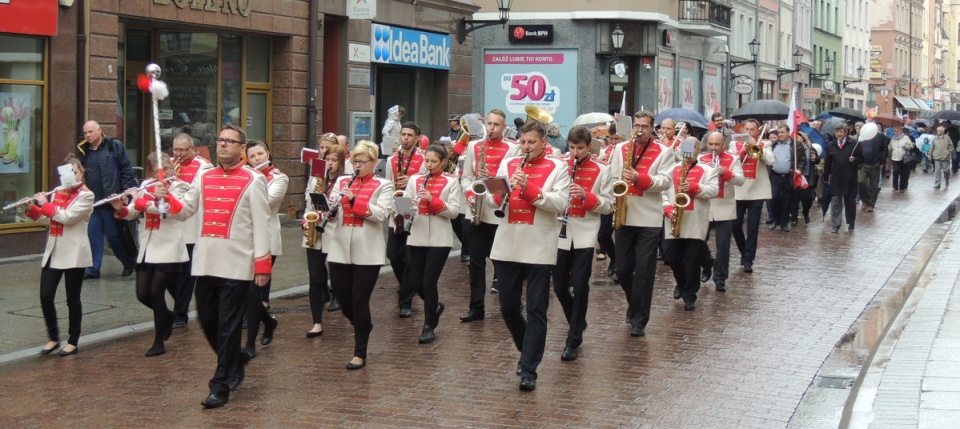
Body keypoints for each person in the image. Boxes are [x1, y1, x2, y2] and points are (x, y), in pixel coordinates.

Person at [192, 124, 273, 409]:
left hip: (237, 263)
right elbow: (185, 208)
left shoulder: (254, 179)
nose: (223, 145)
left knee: (228, 326)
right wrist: (162, 198)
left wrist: (262, 265)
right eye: (220, 140)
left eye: (229, 141)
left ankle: (221, 384)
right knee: (206, 320)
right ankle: (235, 359)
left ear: (241, 148)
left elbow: (261, 224)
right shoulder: (203, 176)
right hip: (206, 261)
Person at [490, 121, 569, 391]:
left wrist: (530, 189)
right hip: (507, 242)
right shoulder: (509, 163)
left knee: (537, 308)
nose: (525, 147)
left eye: (531, 143)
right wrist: (495, 192)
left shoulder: (558, 167)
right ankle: (527, 352)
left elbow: (561, 203)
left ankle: (529, 370)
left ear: (543, 142)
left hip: (538, 244)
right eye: (523, 142)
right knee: (508, 308)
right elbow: (494, 199)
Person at [111, 152, 197, 357]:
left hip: (168, 245)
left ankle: (159, 342)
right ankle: (167, 316)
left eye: (167, 167)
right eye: (159, 168)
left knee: (157, 292)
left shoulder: (178, 186)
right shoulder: (147, 185)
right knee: (143, 294)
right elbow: (132, 212)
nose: (164, 171)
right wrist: (121, 207)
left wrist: (144, 200)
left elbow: (169, 212)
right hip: (148, 245)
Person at [327, 141, 392, 370]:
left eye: (362, 162)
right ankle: (362, 325)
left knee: (359, 299)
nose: (357, 165)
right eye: (354, 161)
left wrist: (355, 201)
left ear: (374, 162)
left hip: (368, 251)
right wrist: (330, 211)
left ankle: (359, 352)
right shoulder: (342, 181)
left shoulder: (383, 185)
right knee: (344, 301)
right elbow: (332, 211)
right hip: (339, 247)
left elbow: (382, 214)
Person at [609, 111, 674, 337]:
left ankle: (640, 319)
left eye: (644, 126)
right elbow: (612, 177)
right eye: (636, 125)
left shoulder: (665, 151)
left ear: (652, 127)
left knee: (644, 270)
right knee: (623, 269)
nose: (640, 130)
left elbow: (666, 181)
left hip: (649, 218)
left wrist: (641, 179)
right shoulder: (620, 148)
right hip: (625, 215)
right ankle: (634, 304)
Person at [552, 126, 613, 361]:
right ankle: (578, 321)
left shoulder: (602, 169)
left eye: (580, 148)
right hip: (560, 230)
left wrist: (586, 196)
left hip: (585, 231)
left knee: (580, 285)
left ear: (589, 147)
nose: (575, 153)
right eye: (572, 147)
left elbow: (608, 205)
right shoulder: (559, 164)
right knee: (558, 286)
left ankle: (574, 337)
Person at [27, 155, 94, 357]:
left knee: (72, 299)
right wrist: (33, 210)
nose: (71, 176)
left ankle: (73, 341)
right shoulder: (58, 192)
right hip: (55, 249)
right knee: (45, 296)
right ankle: (53, 338)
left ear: (81, 172)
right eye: (66, 172)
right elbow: (51, 220)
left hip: (74, 251)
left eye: (74, 171)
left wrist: (45, 204)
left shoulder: (86, 195)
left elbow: (67, 217)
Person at [459, 109, 521, 322]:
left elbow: (511, 180)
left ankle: (511, 304)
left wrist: (492, 178)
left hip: (499, 210)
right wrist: (469, 192)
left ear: (504, 127)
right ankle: (476, 307)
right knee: (475, 263)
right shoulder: (474, 146)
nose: (492, 128)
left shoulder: (513, 148)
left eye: (496, 125)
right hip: (476, 209)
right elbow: (466, 177)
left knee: (502, 261)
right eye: (489, 124)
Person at [403, 144, 463, 343]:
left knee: (429, 281)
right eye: (426, 161)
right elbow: (403, 203)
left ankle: (428, 325)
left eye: (433, 162)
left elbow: (454, 211)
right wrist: (404, 210)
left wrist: (433, 200)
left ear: (443, 162)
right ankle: (434, 306)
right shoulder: (415, 180)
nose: (428, 165)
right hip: (417, 234)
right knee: (416, 281)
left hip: (439, 238)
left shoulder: (451, 182)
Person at [241, 140, 287, 358]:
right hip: (244, 238)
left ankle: (250, 344)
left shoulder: (279, 178)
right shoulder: (244, 175)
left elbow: (265, 202)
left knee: (253, 293)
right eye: (253, 156)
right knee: (245, 291)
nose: (257, 158)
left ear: (268, 153)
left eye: (261, 153)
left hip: (267, 238)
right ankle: (268, 322)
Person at [662, 137, 719, 310]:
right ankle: (681, 283)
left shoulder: (708, 170)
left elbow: (714, 190)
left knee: (692, 261)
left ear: (698, 149)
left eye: (692, 146)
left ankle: (689, 295)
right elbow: (662, 192)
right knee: (671, 257)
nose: (688, 150)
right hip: (674, 218)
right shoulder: (671, 169)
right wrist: (666, 208)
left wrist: (694, 187)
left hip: (695, 220)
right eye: (685, 146)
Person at [76, 120, 137, 279]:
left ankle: (128, 261)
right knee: (93, 235)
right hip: (93, 203)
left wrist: (126, 194)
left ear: (100, 131)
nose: (88, 135)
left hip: (112, 201)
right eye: (85, 133)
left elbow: (126, 170)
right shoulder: (83, 150)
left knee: (114, 235)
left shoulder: (113, 146)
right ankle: (93, 269)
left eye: (91, 132)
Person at [304, 144, 347, 338]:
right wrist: (306, 220)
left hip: (334, 232)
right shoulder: (316, 179)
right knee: (315, 279)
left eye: (334, 160)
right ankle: (316, 322)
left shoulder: (346, 181)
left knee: (338, 279)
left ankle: (347, 308)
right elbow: (308, 205)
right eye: (327, 159)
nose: (329, 164)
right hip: (315, 232)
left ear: (341, 161)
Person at [171, 133, 212, 328]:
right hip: (171, 226)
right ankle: (178, 305)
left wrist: (176, 186)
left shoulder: (203, 166)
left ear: (192, 148)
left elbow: (195, 192)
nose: (178, 154)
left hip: (190, 226)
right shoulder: (169, 163)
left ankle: (181, 312)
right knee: (170, 272)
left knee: (185, 274)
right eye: (175, 150)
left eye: (182, 150)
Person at [386, 122, 426, 318]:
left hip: (415, 209)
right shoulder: (392, 159)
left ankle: (406, 301)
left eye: (410, 135)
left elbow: (427, 183)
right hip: (397, 207)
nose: (406, 138)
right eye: (403, 134)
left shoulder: (425, 159)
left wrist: (409, 181)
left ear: (417, 137)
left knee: (409, 257)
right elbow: (387, 184)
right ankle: (406, 285)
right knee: (393, 255)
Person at [698, 131, 744, 293]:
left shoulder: (733, 159)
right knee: (698, 241)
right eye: (710, 144)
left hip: (724, 205)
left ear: (723, 145)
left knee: (723, 244)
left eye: (717, 144)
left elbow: (740, 180)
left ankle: (720, 278)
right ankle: (706, 263)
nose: (713, 148)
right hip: (705, 205)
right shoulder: (700, 159)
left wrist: (726, 172)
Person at [730, 119, 774, 273]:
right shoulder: (734, 144)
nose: (748, 132)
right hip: (738, 190)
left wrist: (758, 146)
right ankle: (744, 252)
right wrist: (742, 151)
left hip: (757, 190)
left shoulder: (765, 143)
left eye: (752, 129)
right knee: (735, 225)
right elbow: (731, 162)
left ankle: (749, 260)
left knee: (753, 227)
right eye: (746, 129)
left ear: (757, 131)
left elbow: (770, 160)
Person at [823, 124, 863, 233]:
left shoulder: (854, 144)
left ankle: (851, 222)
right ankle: (835, 225)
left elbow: (861, 159)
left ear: (846, 132)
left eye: (841, 132)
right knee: (835, 201)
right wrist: (826, 177)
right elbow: (827, 163)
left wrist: (854, 159)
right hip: (836, 178)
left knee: (850, 201)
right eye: (837, 132)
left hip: (849, 178)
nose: (839, 134)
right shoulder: (831, 145)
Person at [768, 125, 807, 232]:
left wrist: (799, 169)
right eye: (778, 132)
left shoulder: (796, 145)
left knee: (787, 200)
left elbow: (803, 160)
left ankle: (784, 222)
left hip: (789, 176)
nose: (779, 134)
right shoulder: (774, 145)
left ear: (788, 132)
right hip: (775, 176)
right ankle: (776, 221)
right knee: (774, 197)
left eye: (782, 132)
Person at [857, 123, 888, 212]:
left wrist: (880, 162)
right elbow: (858, 148)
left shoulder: (880, 136)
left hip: (875, 164)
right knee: (860, 182)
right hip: (863, 164)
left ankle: (871, 204)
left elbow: (884, 149)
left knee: (874, 186)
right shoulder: (862, 136)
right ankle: (864, 200)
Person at [790, 132, 818, 224]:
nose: (796, 138)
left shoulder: (810, 148)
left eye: (797, 137)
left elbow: (817, 160)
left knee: (807, 199)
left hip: (807, 176)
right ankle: (794, 218)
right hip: (797, 175)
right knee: (795, 198)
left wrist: (815, 158)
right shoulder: (793, 148)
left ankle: (805, 212)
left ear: (802, 138)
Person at [889, 126, 914, 193]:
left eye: (897, 131)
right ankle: (895, 187)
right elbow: (890, 147)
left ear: (901, 132)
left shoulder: (906, 138)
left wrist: (906, 147)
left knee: (903, 173)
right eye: (895, 131)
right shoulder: (892, 139)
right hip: (895, 158)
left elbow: (911, 145)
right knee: (895, 171)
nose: (896, 133)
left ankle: (902, 187)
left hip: (904, 158)